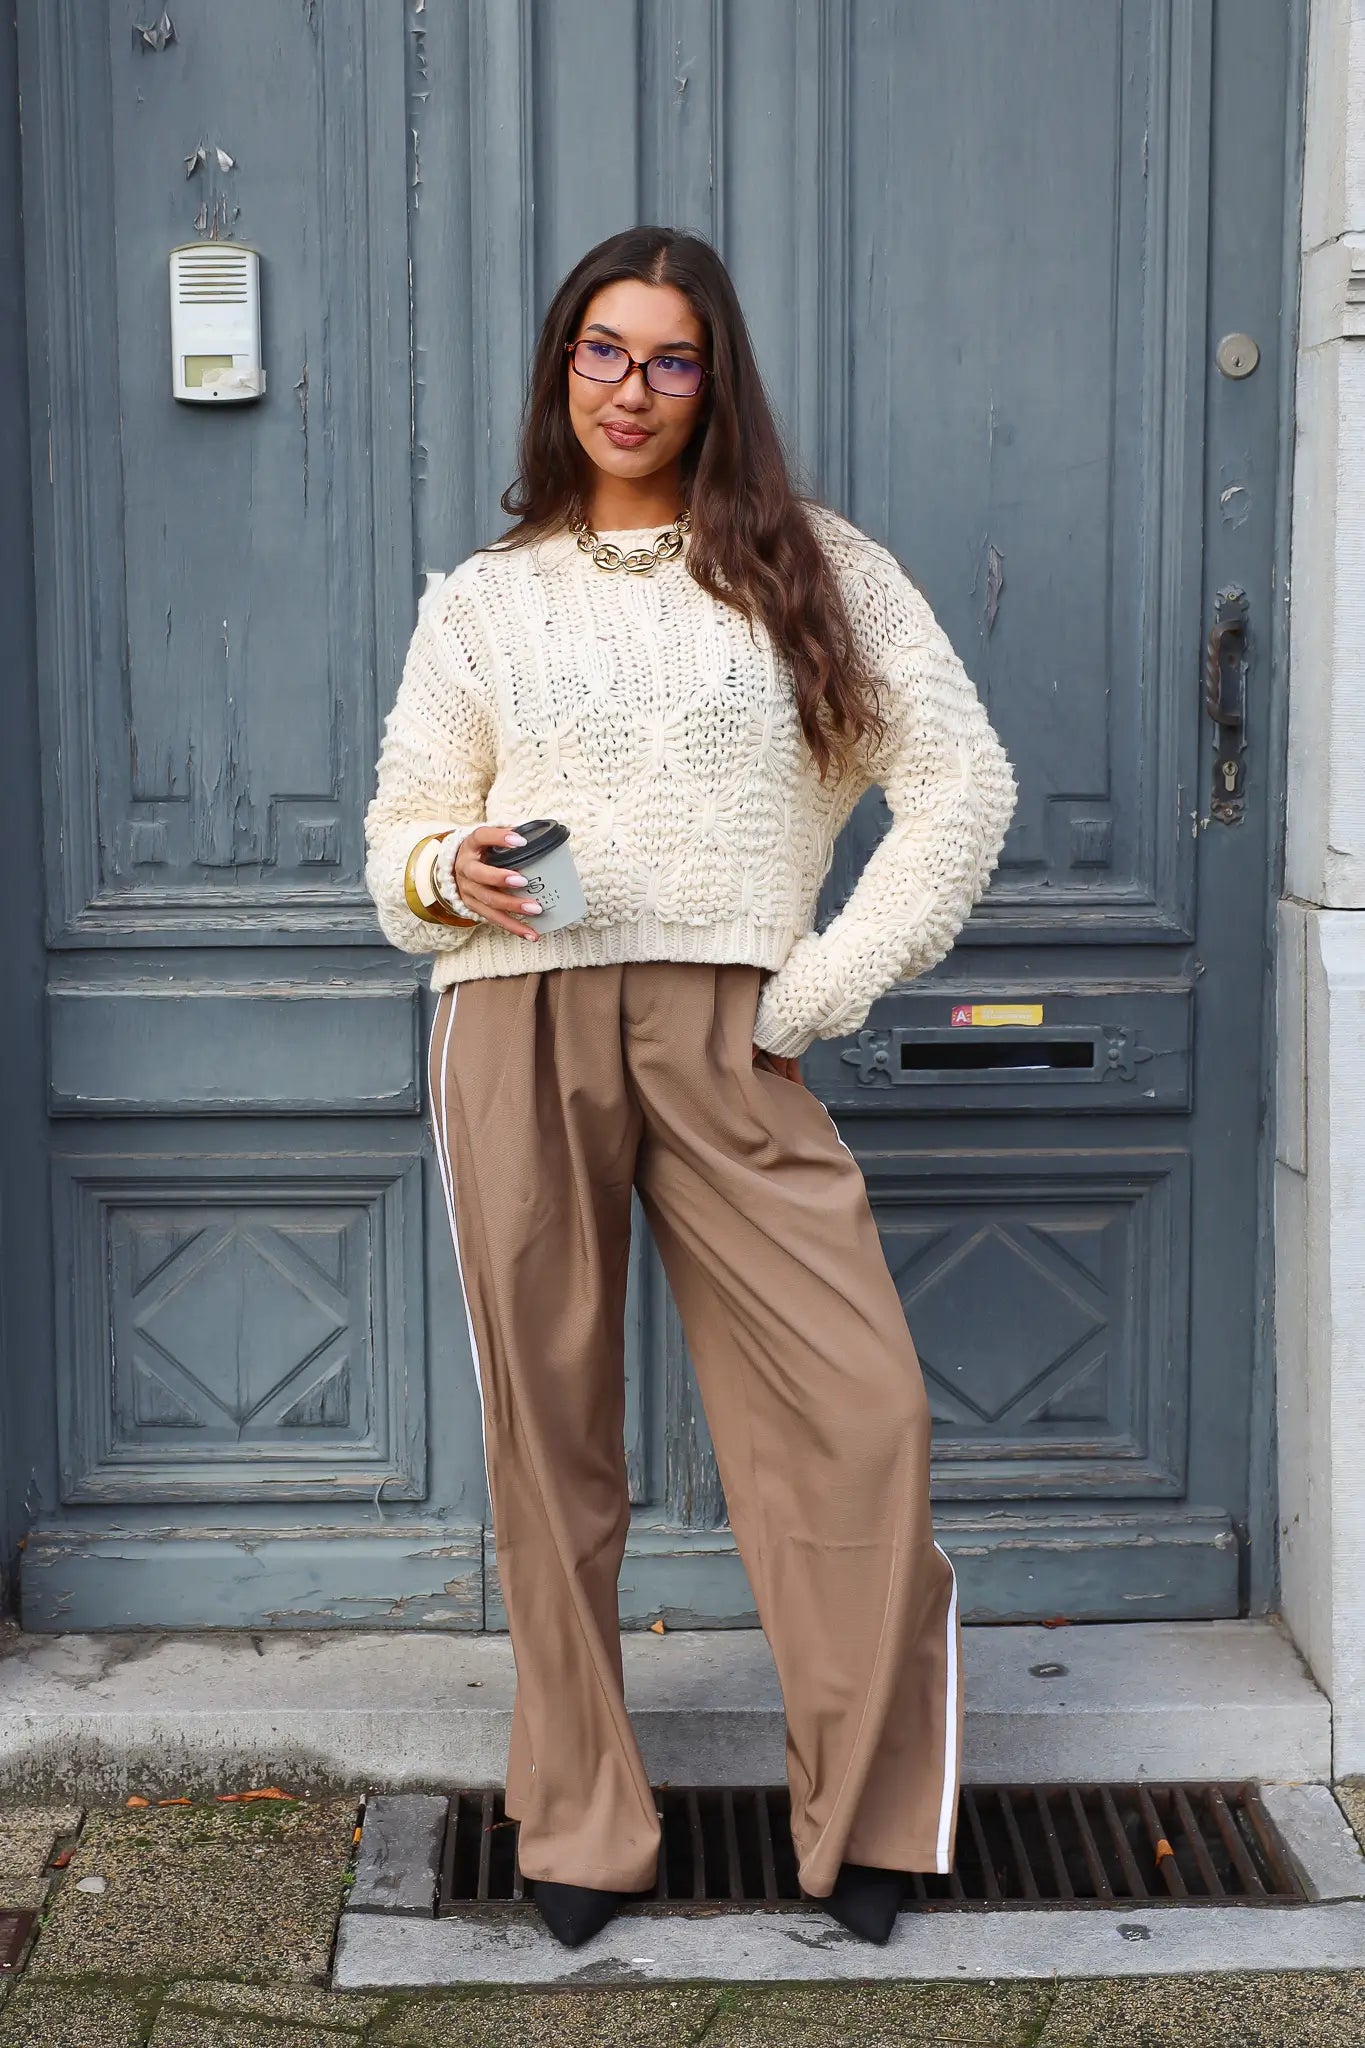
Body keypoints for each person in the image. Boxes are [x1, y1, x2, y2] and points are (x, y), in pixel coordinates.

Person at [364, 225, 1017, 1950]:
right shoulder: (485, 597)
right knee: (549, 1440)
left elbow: (961, 783)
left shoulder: (816, 566)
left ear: (713, 378)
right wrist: (447, 870)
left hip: (737, 1026)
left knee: (855, 1415)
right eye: (601, 350)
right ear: (559, 366)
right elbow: (398, 844)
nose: (629, 389)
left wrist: (819, 987)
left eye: (668, 358)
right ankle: (580, 1821)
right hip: (516, 1016)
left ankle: (867, 1813)